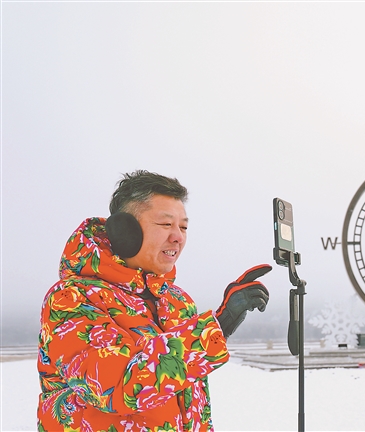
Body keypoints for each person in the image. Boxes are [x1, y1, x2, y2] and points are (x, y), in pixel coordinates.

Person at [37, 170, 270, 431]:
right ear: (125, 231)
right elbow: (116, 388)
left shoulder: (178, 302)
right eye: (166, 224)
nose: (178, 237)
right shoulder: (70, 299)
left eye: (183, 227)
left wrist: (220, 323)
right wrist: (213, 331)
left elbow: (193, 407)